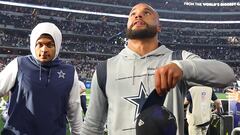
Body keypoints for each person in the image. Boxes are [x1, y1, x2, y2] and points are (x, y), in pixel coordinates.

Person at [80, 3, 235, 135]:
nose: (138, 16)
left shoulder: (177, 58)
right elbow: (92, 128)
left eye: (146, 13)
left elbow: (227, 75)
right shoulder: (105, 68)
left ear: (159, 26)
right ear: (127, 24)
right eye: (133, 14)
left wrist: (182, 67)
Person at [0, 22, 82, 135]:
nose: (44, 50)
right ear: (33, 44)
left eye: (49, 45)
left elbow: (75, 111)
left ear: (57, 45)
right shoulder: (19, 65)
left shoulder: (69, 72)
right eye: (40, 44)